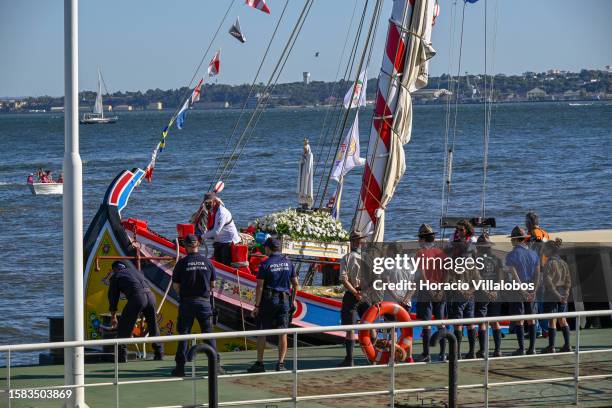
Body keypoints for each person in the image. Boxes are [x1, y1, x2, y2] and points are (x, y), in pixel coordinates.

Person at [171, 234, 221, 377]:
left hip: (187, 302)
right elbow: (213, 285)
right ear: (198, 245)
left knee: (184, 335)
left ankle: (180, 368)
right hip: (204, 303)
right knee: (208, 334)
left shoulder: (181, 263)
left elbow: (176, 286)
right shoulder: (207, 262)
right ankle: (215, 366)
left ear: (186, 246)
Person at [247, 238, 299, 372]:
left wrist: (257, 306)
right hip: (285, 301)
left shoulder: (265, 264)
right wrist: (293, 299)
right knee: (283, 333)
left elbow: (259, 286)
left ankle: (259, 364)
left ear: (269, 248)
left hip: (269, 301)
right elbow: (296, 284)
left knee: (263, 332)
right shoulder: (288, 262)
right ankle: (280, 364)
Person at [107, 261, 163, 362]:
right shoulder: (137, 272)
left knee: (124, 326)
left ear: (114, 269)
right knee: (153, 325)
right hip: (151, 296)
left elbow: (113, 298)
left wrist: (113, 316)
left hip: (137, 297)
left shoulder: (117, 276)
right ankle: (159, 353)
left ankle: (121, 357)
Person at [338, 229, 373, 367]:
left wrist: (354, 292)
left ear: (352, 242)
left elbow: (344, 279)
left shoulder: (346, 258)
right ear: (361, 241)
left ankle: (350, 359)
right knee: (370, 326)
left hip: (352, 296)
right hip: (366, 294)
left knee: (350, 329)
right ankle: (372, 357)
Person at [414, 224, 448, 362]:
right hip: (440, 291)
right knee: (441, 323)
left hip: (426, 291)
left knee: (426, 323)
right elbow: (447, 274)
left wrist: (430, 290)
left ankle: (426, 353)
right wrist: (441, 289)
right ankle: (443, 353)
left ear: (422, 239)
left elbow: (421, 274)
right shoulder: (441, 253)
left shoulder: (419, 254)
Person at [506, 226, 540, 356]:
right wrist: (534, 291)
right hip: (532, 288)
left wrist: (522, 291)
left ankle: (522, 348)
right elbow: (537, 275)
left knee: (520, 319)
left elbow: (514, 276)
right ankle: (532, 348)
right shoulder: (534, 254)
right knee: (531, 319)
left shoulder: (511, 255)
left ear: (515, 240)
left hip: (518, 291)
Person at [446, 239, 480, 359]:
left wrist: (461, 291)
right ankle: (472, 352)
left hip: (457, 296)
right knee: (470, 323)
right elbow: (477, 281)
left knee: (458, 324)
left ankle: (457, 352)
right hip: (470, 296)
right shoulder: (472, 263)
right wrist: (469, 292)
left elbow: (451, 280)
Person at [474, 234, 505, 357]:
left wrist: (485, 292)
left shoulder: (476, 260)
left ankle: (482, 350)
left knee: (482, 322)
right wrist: (496, 291)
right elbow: (501, 278)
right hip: (495, 293)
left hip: (482, 293)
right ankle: (498, 350)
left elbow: (477, 278)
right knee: (495, 322)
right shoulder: (497, 259)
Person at [541, 239, 572, 353]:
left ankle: (551, 346)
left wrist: (557, 295)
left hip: (552, 294)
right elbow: (568, 280)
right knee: (563, 320)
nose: (543, 251)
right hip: (564, 292)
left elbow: (548, 282)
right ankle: (567, 345)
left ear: (550, 250)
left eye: (545, 249)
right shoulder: (563, 263)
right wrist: (566, 293)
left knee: (552, 320)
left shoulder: (549, 263)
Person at [199, 192, 240, 266]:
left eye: (209, 202)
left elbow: (216, 231)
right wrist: (202, 239)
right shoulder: (211, 211)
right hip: (219, 241)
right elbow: (210, 229)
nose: (207, 204)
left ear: (214, 201)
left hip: (228, 242)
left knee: (225, 265)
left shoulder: (221, 212)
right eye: (206, 203)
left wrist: (201, 237)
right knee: (217, 264)